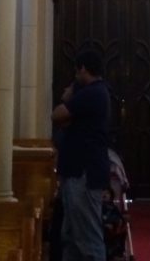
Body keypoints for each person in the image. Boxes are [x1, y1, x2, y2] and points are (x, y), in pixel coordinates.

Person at [52, 50, 111, 261]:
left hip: (84, 174)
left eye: (76, 72)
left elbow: (57, 115)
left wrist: (68, 98)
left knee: (88, 239)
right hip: (76, 172)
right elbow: (64, 121)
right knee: (71, 236)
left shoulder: (92, 93)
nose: (75, 77)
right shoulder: (92, 93)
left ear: (83, 68)